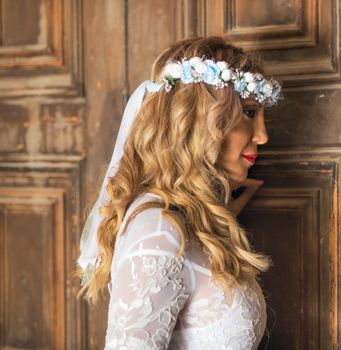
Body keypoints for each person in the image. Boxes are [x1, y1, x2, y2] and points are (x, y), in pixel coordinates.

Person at [75, 36, 282, 349]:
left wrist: (221, 206)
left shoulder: (183, 220)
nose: (263, 136)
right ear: (202, 117)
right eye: (250, 113)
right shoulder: (158, 232)